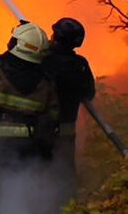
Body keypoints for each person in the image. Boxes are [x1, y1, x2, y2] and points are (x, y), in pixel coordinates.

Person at [0, 21, 59, 214]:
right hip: (31, 144)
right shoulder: (47, 80)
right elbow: (53, 117)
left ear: (19, 44)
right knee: (25, 188)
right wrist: (46, 147)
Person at [42, 17, 95, 208]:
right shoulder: (80, 64)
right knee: (64, 173)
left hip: (41, 127)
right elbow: (89, 93)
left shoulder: (42, 60)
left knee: (38, 169)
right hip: (66, 129)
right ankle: (67, 208)